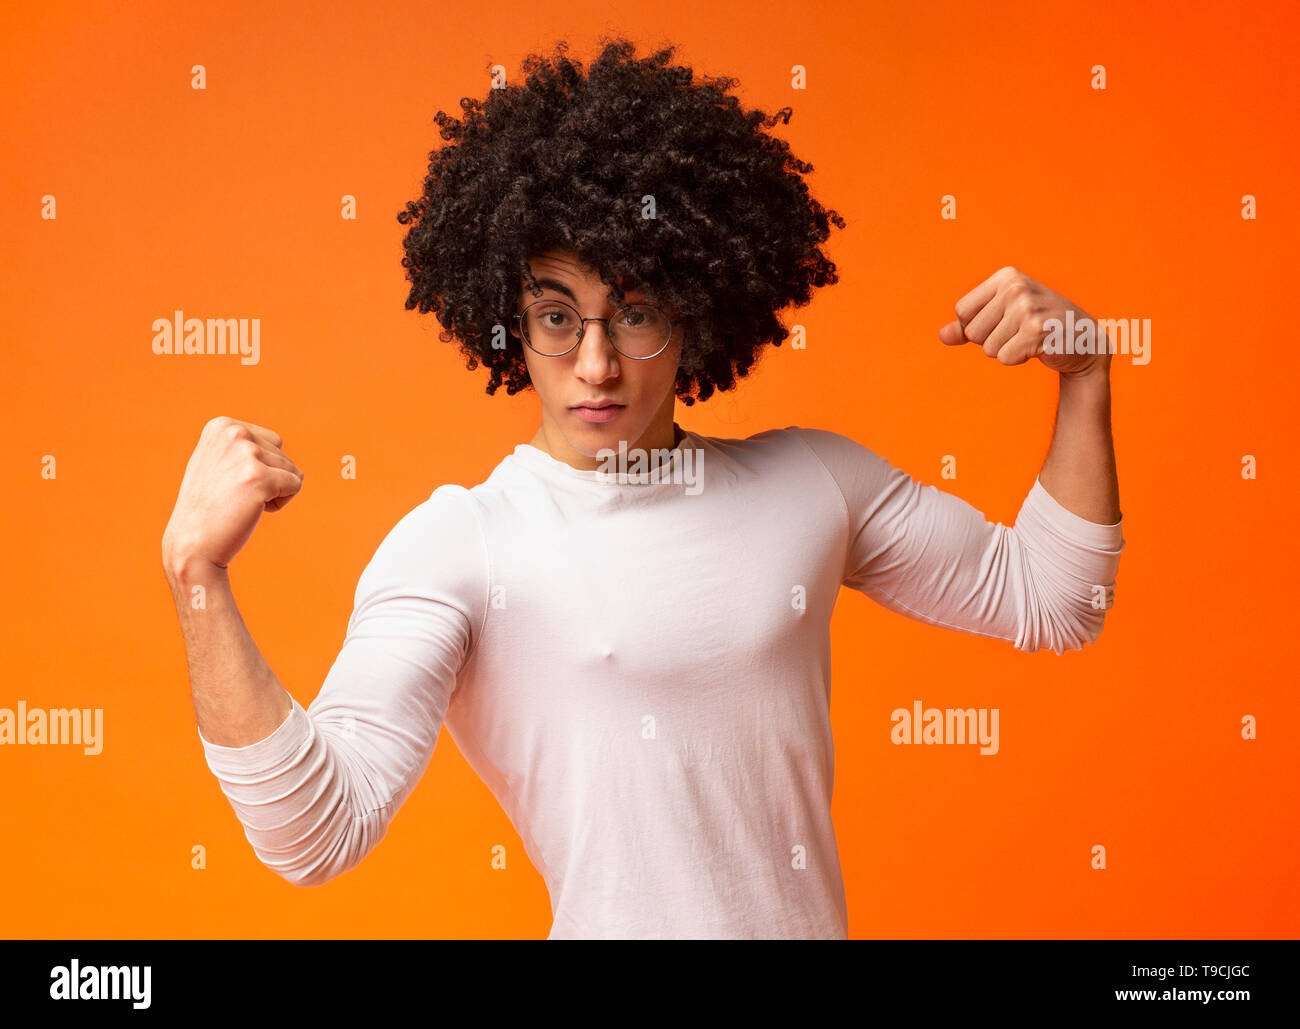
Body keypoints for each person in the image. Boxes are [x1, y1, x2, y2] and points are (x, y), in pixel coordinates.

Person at [161, 37, 1124, 939]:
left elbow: (1056, 598)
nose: (595, 364)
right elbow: (315, 835)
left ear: (698, 310)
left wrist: (1085, 377)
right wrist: (198, 575)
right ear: (508, 322)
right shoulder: (463, 543)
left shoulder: (810, 482)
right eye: (555, 315)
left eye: (634, 315)